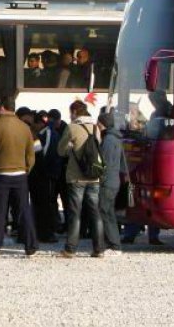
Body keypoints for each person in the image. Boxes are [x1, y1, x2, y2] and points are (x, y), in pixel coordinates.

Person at [0, 95, 38, 261]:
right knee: (24, 211)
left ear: (2, 107)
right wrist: (25, 170)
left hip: (0, 175)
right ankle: (31, 247)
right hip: (20, 175)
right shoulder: (24, 127)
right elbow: (31, 156)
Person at [56, 100, 105, 259]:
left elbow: (61, 151)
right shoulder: (95, 127)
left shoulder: (72, 128)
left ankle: (70, 249)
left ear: (75, 112)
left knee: (75, 214)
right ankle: (99, 249)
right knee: (95, 213)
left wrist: (70, 146)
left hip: (76, 177)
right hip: (94, 176)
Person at [30, 110, 63, 243]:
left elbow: (45, 153)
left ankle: (48, 232)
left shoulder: (46, 133)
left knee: (46, 203)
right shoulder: (44, 133)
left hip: (46, 173)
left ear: (39, 123)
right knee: (45, 203)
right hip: (45, 173)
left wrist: (41, 169)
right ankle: (44, 231)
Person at [98, 112, 127, 255]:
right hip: (114, 180)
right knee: (109, 212)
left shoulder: (108, 140)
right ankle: (113, 243)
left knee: (105, 212)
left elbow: (104, 163)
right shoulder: (117, 138)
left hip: (107, 181)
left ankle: (113, 245)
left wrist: (99, 179)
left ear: (101, 123)